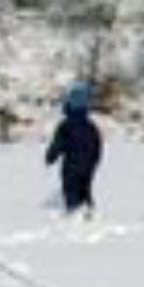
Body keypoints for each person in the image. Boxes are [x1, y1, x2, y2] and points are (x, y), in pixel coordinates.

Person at [45, 81, 103, 218]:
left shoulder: (65, 126)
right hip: (88, 165)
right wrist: (94, 162)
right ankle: (88, 211)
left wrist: (50, 157)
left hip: (71, 165)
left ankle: (73, 214)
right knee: (85, 188)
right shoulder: (91, 127)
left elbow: (58, 144)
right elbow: (97, 146)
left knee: (70, 188)